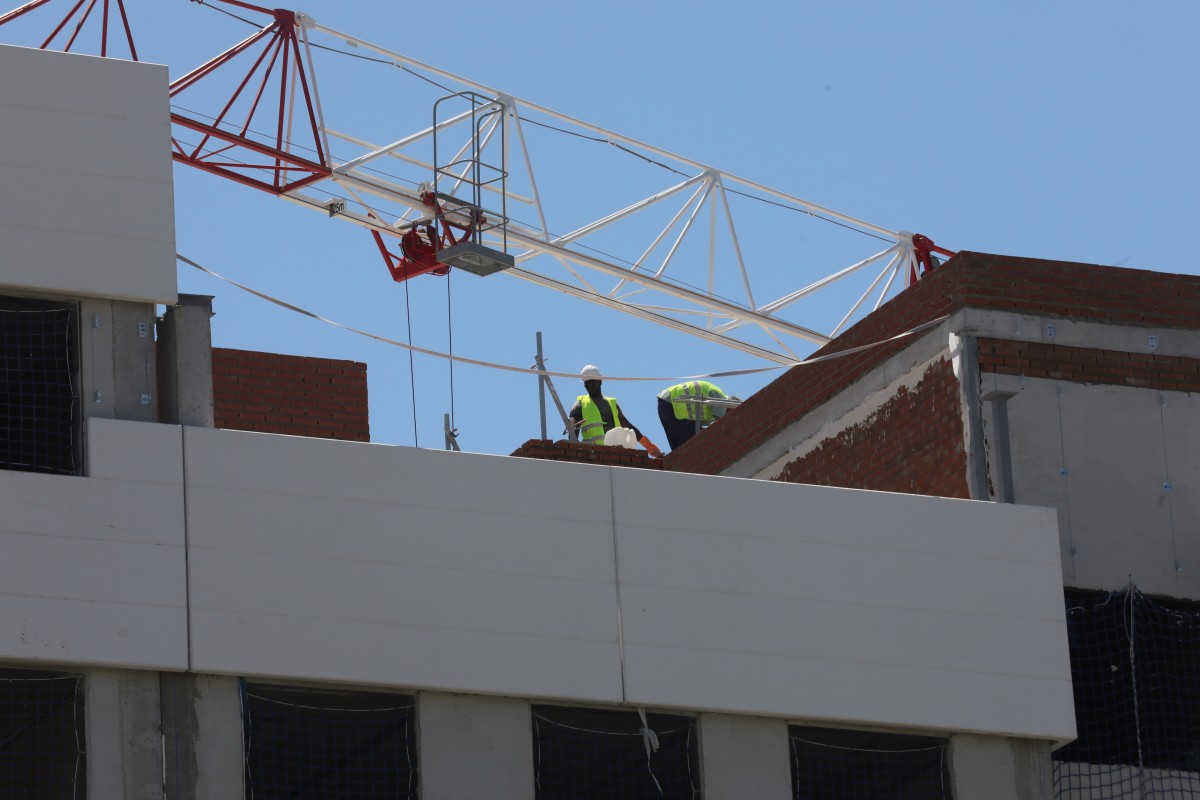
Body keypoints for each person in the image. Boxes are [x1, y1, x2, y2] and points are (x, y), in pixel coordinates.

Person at [569, 365, 662, 457]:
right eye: (587, 385)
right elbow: (572, 432)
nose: (590, 387)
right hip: (594, 454)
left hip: (616, 454)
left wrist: (648, 445)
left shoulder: (611, 404)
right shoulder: (580, 405)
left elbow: (627, 425)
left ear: (600, 381)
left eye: (592, 383)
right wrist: (573, 454)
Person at [657, 380, 729, 451]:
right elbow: (720, 424)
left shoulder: (713, 409)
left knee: (677, 446)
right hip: (674, 403)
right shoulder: (723, 400)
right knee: (690, 446)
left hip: (665, 402)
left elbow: (696, 426)